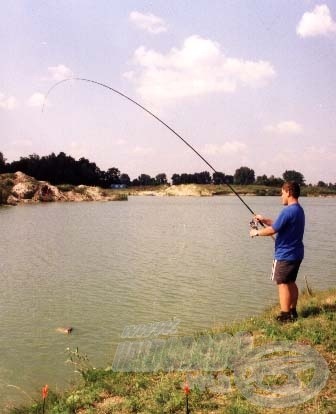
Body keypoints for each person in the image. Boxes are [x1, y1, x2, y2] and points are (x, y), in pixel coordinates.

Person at [250, 181, 305, 322]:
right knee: (291, 282)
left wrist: (256, 232)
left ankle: (285, 315)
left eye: (282, 193)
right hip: (296, 254)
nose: (281, 196)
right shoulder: (298, 210)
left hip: (285, 255)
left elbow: (273, 230)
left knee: (282, 283)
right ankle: (293, 311)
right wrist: (264, 219)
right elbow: (279, 224)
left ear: (289, 192)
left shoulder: (287, 210)